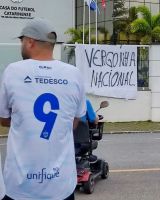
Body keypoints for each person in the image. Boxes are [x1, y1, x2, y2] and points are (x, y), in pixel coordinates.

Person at [0, 18, 86, 200]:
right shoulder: (74, 74)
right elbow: (74, 122)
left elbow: (3, 118)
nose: (21, 45)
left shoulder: (13, 71)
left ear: (30, 41)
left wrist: (25, 122)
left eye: (21, 41)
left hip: (20, 184)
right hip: (61, 185)